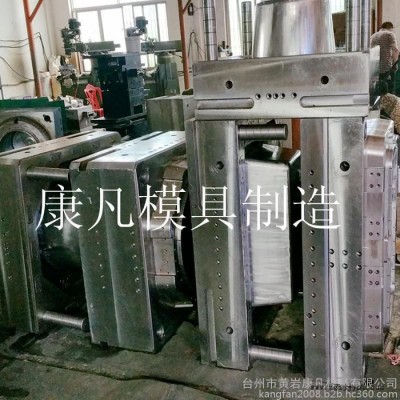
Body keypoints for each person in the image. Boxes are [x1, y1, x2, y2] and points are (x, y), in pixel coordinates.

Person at [371, 21, 400, 93]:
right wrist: (395, 64)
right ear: (391, 28)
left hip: (374, 68)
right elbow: (395, 50)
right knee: (389, 91)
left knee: (378, 91)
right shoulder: (390, 34)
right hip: (386, 67)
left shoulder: (373, 36)